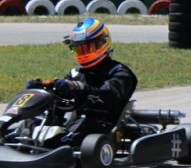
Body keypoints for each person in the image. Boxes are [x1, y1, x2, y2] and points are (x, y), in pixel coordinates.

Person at [25, 17, 137, 147]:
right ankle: (22, 139)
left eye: (87, 48)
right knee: (32, 118)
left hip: (101, 122)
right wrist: (46, 88)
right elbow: (65, 93)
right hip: (74, 120)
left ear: (102, 42)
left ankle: (53, 146)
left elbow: (109, 95)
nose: (83, 53)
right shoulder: (76, 73)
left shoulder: (120, 72)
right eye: (79, 49)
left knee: (81, 124)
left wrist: (76, 87)